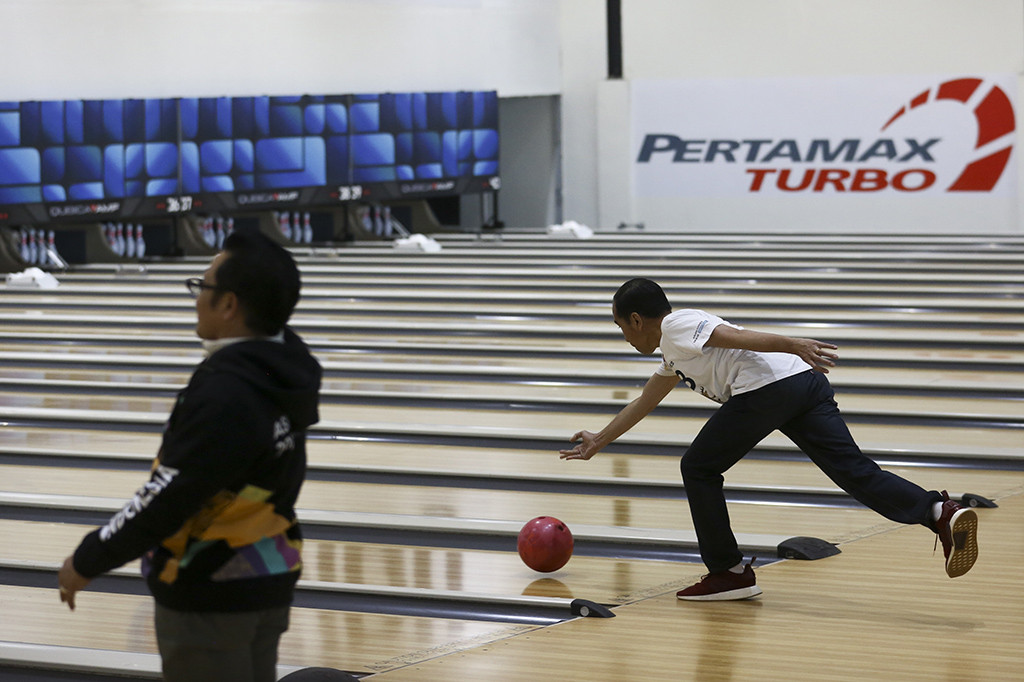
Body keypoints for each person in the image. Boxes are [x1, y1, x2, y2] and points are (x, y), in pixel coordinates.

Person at [559, 277, 979, 601]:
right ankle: (939, 512)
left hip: (769, 388)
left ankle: (728, 573)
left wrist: (790, 342)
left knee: (698, 467)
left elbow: (731, 336)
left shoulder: (675, 324)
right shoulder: (673, 350)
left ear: (636, 319)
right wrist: (599, 440)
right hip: (804, 386)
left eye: (621, 327)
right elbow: (645, 400)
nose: (625, 337)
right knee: (855, 471)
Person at [58, 228, 323, 680]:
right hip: (269, 572)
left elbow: (169, 494)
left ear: (229, 305)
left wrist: (88, 559)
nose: (197, 297)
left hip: (210, 585)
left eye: (203, 287)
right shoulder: (287, 367)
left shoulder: (225, 393)